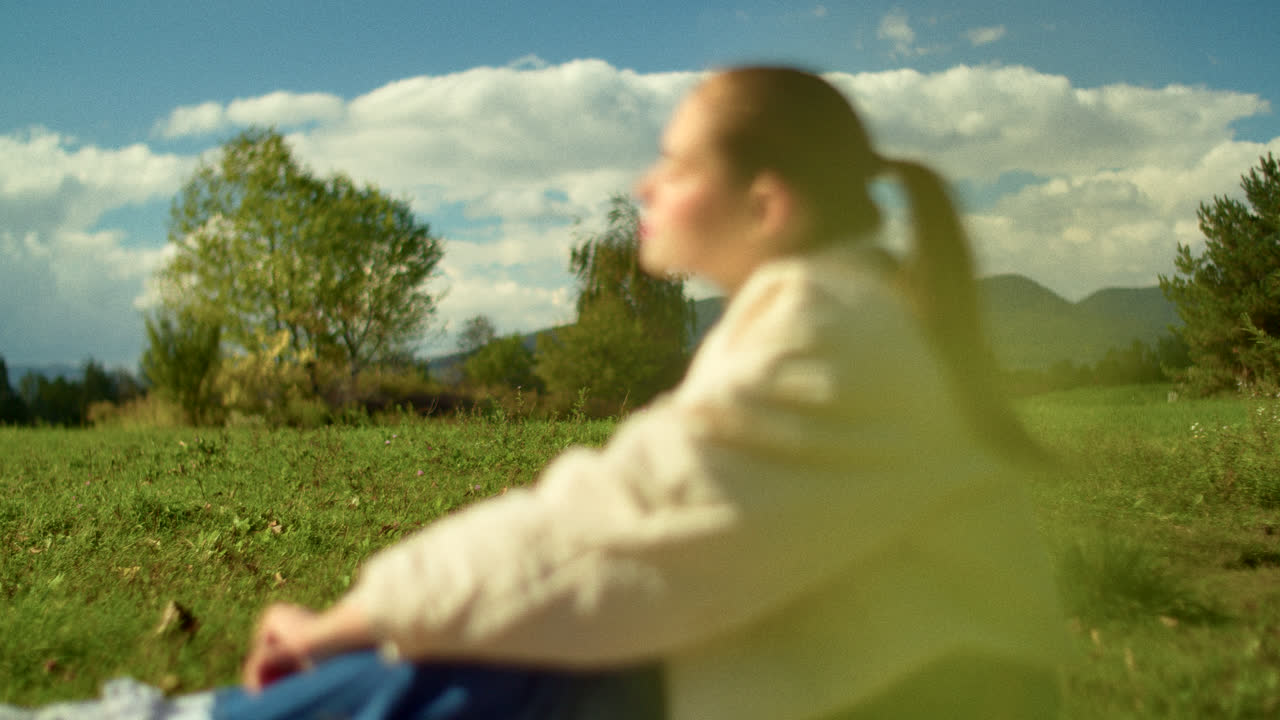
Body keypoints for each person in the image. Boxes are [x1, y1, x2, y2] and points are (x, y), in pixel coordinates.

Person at [1, 66, 1065, 720]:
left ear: (765, 201)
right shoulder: (847, 312)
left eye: (670, 159)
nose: (644, 184)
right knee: (514, 646)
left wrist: (342, 620)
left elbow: (603, 535)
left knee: (511, 655)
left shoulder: (825, 328)